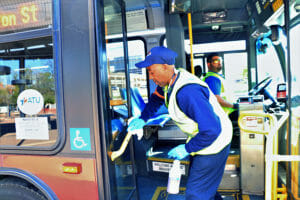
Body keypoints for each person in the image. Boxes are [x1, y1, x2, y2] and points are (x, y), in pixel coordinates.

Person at [127, 46, 232, 200]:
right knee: (205, 188)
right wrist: (143, 118)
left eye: (151, 71)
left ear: (165, 67)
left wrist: (187, 148)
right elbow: (156, 99)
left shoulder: (187, 92)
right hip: (203, 139)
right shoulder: (169, 83)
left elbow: (212, 129)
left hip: (215, 143)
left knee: (196, 195)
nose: (150, 77)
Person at [203, 53, 238, 120]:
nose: (219, 63)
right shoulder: (212, 79)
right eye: (216, 61)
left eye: (220, 60)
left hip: (226, 112)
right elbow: (216, 99)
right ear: (208, 64)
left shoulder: (218, 77)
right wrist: (234, 106)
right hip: (225, 115)